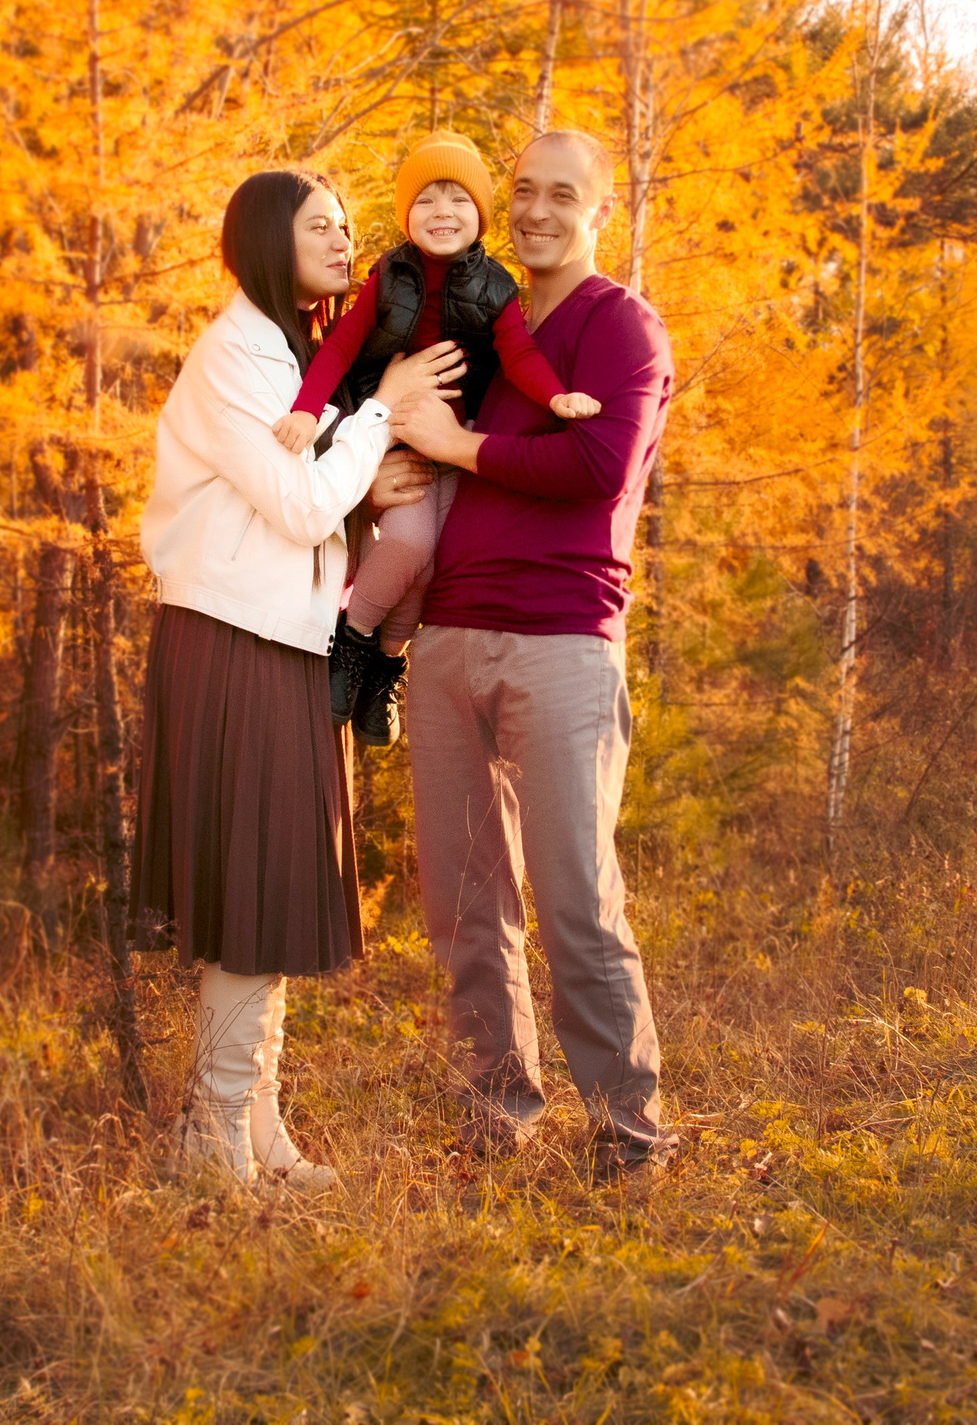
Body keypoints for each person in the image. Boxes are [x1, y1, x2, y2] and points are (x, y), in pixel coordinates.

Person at [134, 167, 461, 1192]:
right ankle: (212, 1133)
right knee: (252, 889)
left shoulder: (294, 352)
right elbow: (294, 505)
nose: (342, 237)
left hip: (283, 637)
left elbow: (317, 496)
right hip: (234, 640)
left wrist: (373, 480)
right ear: (265, 241)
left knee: (267, 888)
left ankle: (254, 1123)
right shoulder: (233, 354)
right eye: (319, 225)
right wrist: (384, 417)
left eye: (346, 225)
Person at [385, 128, 678, 1180]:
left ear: (601, 205)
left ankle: (626, 1137)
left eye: (563, 193)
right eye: (523, 192)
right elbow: (397, 425)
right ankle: (491, 1116)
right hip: (450, 633)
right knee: (464, 904)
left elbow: (595, 465)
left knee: (572, 897)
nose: (537, 210)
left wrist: (456, 445)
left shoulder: (622, 328)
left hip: (563, 640)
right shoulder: (483, 318)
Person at [267, 131, 601, 747]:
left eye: (458, 199)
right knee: (406, 546)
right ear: (406, 215)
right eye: (426, 199)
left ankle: (385, 668)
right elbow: (340, 347)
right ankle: (353, 641)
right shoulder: (387, 275)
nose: (442, 212)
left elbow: (518, 352)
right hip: (392, 432)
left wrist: (555, 395)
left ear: (480, 214)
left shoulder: (497, 287)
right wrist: (307, 411)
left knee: (430, 567)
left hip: (456, 440)